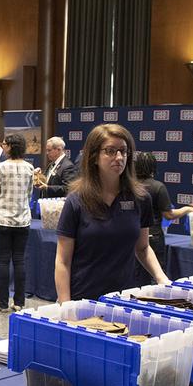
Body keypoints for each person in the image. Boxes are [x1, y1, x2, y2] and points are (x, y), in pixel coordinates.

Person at [54, 124, 168, 302]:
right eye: (110, 151)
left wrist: (161, 278)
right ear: (94, 156)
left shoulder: (141, 198)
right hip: (83, 299)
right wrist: (65, 303)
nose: (119, 157)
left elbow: (143, 248)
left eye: (123, 151)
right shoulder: (76, 201)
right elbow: (63, 261)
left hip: (124, 298)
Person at [133, 152, 193, 286]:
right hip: (153, 236)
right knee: (156, 276)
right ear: (153, 167)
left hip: (132, 236)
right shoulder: (157, 187)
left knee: (135, 276)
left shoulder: (130, 186)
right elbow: (169, 215)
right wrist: (187, 209)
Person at [0, 134, 34, 311]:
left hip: (2, 219)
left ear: (10, 146)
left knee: (3, 261)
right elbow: (29, 194)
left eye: (5, 144)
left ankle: (2, 303)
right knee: (19, 261)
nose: (3, 146)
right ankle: (19, 302)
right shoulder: (29, 167)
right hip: (23, 221)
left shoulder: (1, 167)